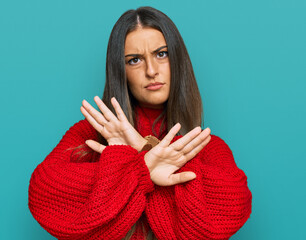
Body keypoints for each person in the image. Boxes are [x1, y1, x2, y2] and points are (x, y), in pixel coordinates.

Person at [28, 6, 252, 240]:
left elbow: (231, 208)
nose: (151, 70)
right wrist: (143, 166)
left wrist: (137, 155)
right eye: (134, 60)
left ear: (178, 60)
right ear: (120, 71)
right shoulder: (91, 133)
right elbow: (42, 193)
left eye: (161, 54)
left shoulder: (205, 145)